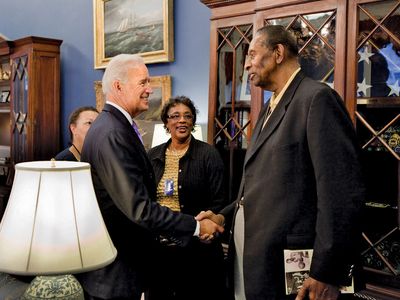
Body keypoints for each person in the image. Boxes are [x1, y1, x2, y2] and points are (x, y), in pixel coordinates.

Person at [197, 25, 365, 300]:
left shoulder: (316, 99)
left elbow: (341, 194)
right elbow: (261, 186)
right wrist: (223, 216)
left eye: (252, 54)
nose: (247, 64)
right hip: (254, 265)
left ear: (278, 52)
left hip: (296, 272)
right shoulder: (268, 107)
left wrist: (326, 272)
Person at [79, 54, 224, 300]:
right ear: (118, 86)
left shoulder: (112, 127)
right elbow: (140, 209)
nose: (150, 89)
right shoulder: (113, 133)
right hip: (116, 271)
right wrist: (197, 226)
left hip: (124, 266)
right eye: (143, 82)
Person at [147, 96, 227, 300]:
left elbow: (220, 202)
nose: (181, 120)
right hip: (159, 251)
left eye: (187, 116)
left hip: (197, 250)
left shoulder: (209, 155)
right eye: (175, 116)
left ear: (192, 122)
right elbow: (145, 202)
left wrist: (212, 224)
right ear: (166, 122)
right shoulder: (152, 156)